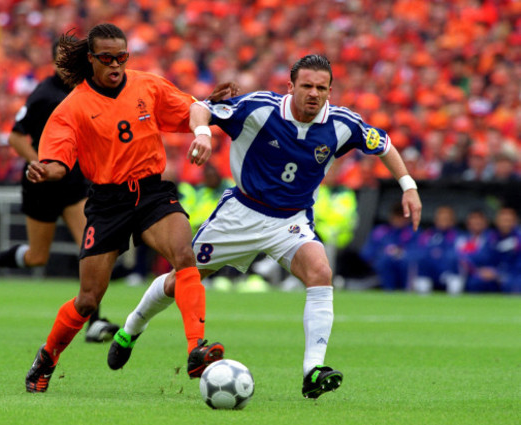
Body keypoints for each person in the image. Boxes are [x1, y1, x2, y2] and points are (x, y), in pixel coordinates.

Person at [107, 54, 422, 399]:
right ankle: (131, 328)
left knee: (320, 271)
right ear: (291, 86)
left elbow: (385, 145)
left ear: (330, 90)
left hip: (291, 220)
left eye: (321, 88)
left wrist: (409, 186)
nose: (314, 94)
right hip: (240, 214)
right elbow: (201, 108)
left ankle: (313, 371)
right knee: (180, 280)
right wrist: (202, 134)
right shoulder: (260, 108)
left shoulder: (343, 124)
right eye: (306, 86)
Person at [22, 24, 239, 393]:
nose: (116, 65)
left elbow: (189, 111)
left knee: (185, 255)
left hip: (152, 192)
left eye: (121, 57)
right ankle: (47, 357)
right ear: (91, 59)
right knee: (89, 300)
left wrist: (207, 104)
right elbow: (58, 160)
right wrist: (47, 170)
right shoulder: (71, 108)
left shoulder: (148, 86)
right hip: (108, 202)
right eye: (107, 58)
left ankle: (196, 350)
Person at [0, 37, 120, 343]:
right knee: (38, 256)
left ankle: (95, 321)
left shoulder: (87, 90)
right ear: (54, 62)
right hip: (42, 183)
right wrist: (39, 162)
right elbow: (15, 137)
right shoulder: (44, 95)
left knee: (90, 247)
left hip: (73, 183)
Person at [360, 202, 418, 290]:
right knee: (384, 261)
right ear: (391, 216)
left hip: (404, 269)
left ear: (407, 218)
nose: (399, 220)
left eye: (402, 217)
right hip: (382, 270)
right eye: (397, 216)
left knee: (407, 262)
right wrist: (384, 253)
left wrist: (401, 254)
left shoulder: (413, 232)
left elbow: (419, 253)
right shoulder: (380, 232)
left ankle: (406, 292)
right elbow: (366, 253)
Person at [410, 205, 463, 294]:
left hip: (450, 274)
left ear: (453, 221)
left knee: (452, 260)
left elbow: (462, 254)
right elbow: (418, 251)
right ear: (435, 219)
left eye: (446, 218)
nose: (443, 221)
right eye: (441, 218)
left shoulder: (459, 236)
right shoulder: (427, 234)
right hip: (428, 273)